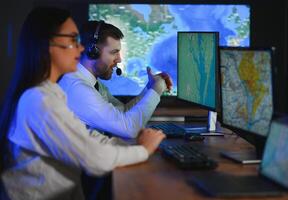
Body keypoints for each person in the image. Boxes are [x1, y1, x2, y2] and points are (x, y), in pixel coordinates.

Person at [0, 7, 165, 200]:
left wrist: (141, 145)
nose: (80, 49)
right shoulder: (40, 100)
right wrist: (143, 150)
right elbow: (93, 158)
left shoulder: (50, 93)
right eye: (72, 40)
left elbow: (87, 137)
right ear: (48, 46)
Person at [58, 20, 172, 139]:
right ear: (93, 52)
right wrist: (156, 91)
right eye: (114, 53)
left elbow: (123, 112)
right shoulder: (78, 89)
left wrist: (150, 88)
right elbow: (129, 130)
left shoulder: (94, 84)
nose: (119, 60)